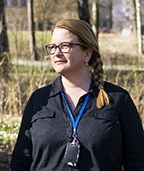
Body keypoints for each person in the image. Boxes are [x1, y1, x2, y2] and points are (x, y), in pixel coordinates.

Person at [10, 19, 144, 170]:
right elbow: (21, 160)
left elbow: (137, 161)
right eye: (52, 47)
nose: (56, 53)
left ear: (87, 53)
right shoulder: (40, 100)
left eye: (65, 46)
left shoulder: (118, 99)